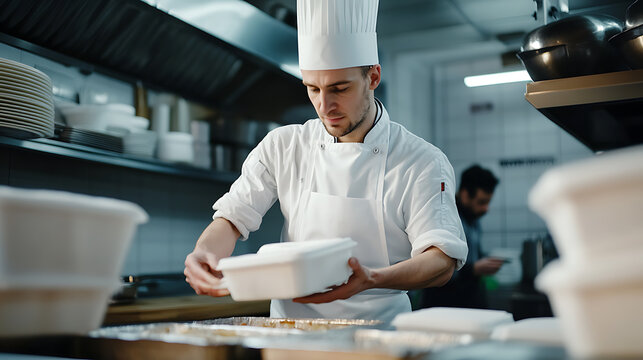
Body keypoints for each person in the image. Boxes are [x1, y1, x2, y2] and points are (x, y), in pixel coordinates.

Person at [184, 0, 468, 323]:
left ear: (373, 77)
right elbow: (232, 217)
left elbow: (441, 261)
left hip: (378, 338)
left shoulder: (421, 162)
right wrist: (205, 252)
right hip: (290, 337)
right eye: (312, 88)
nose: (324, 105)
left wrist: (372, 278)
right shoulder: (285, 146)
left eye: (339, 88)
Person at [421, 165, 502, 309]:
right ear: (465, 195)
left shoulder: (473, 218)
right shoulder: (444, 218)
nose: (486, 209)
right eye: (482, 202)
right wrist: (474, 269)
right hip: (445, 304)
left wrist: (484, 262)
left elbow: (472, 254)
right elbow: (433, 269)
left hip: (469, 299)